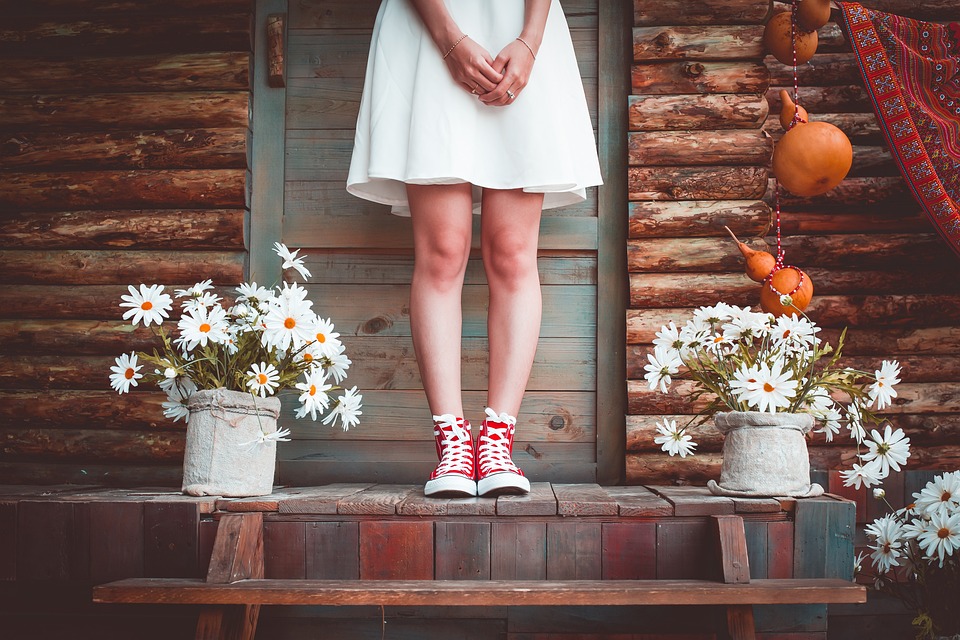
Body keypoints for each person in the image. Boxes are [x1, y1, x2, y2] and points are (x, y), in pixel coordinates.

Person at [347, 0, 602, 497]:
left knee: (511, 251)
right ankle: (451, 443)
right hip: (429, 25)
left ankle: (498, 440)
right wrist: (450, 39)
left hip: (520, 31)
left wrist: (530, 40)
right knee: (442, 250)